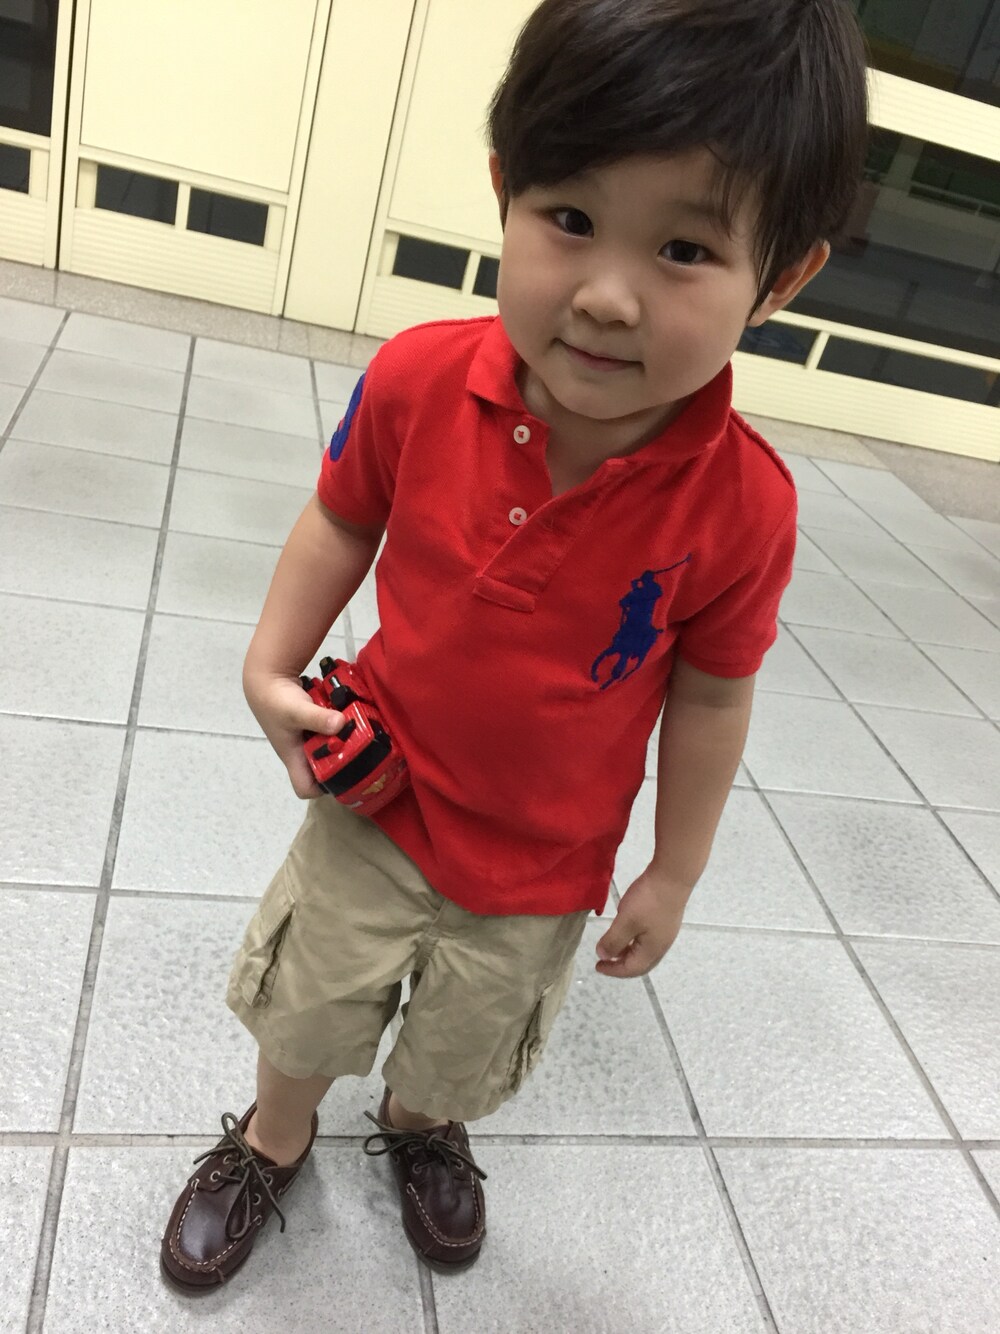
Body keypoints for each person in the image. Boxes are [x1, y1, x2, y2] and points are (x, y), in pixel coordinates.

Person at [160, 0, 868, 1292]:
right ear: (505, 189)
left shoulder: (747, 505)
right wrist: (269, 667)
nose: (605, 295)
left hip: (546, 862)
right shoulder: (420, 379)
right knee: (307, 1001)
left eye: (685, 248)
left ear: (781, 280)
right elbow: (343, 516)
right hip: (378, 794)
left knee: (467, 1038)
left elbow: (713, 696)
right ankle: (274, 1135)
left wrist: (675, 871)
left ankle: (421, 1125)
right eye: (571, 218)